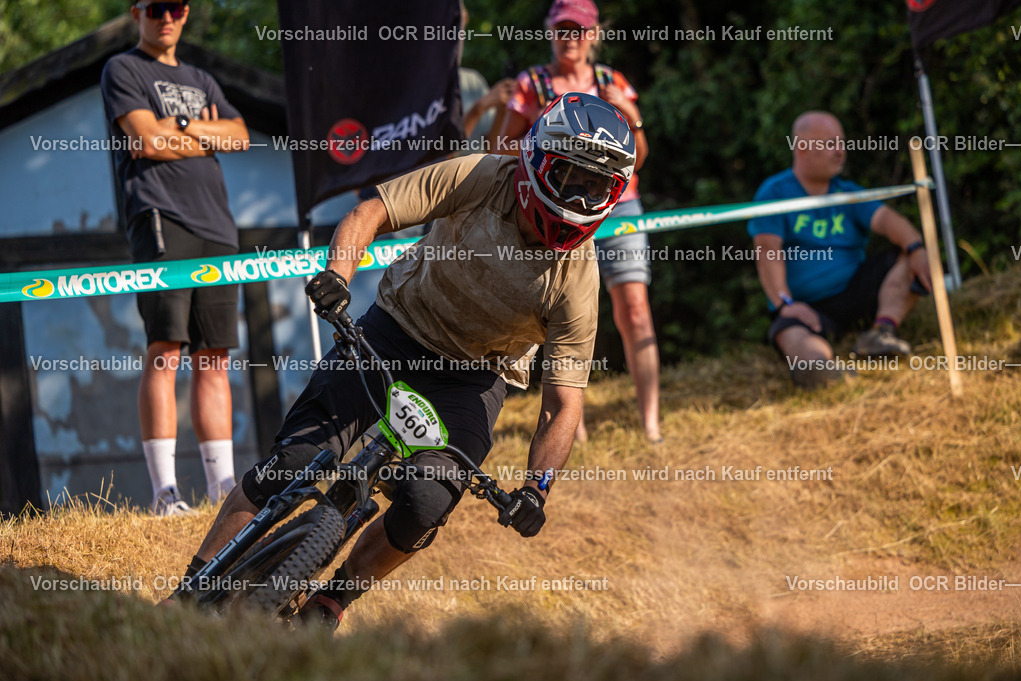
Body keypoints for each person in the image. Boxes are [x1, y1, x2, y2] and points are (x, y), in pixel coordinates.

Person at [177, 93, 636, 630]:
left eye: (596, 187)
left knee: (425, 502)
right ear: (535, 162)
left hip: (471, 380)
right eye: (569, 178)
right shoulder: (482, 176)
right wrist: (337, 277)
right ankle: (190, 591)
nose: (580, 197)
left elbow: (563, 403)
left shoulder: (578, 281)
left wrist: (537, 489)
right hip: (395, 330)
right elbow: (371, 211)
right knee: (294, 460)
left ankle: (331, 604)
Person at [101, 0, 250, 514]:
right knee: (166, 350)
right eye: (157, 7)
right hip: (162, 220)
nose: (168, 17)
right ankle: (165, 494)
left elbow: (240, 136)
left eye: (178, 7)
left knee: (214, 359)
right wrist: (200, 133)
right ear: (137, 11)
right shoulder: (122, 68)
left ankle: (221, 489)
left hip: (219, 227)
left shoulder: (202, 77)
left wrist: (179, 127)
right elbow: (146, 140)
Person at [498, 0, 660, 443]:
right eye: (562, 29)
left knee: (634, 311)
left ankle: (651, 427)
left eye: (579, 30)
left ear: (594, 34)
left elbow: (640, 156)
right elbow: (502, 145)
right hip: (557, 211)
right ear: (550, 31)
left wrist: (629, 116)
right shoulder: (533, 83)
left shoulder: (612, 81)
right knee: (564, 319)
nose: (570, 38)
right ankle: (573, 431)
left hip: (619, 207)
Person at [747, 111, 931, 388]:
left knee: (906, 256)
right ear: (802, 148)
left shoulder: (847, 191)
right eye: (830, 143)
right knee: (790, 333)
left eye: (842, 143)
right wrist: (785, 303)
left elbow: (887, 220)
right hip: (805, 308)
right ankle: (821, 371)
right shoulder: (774, 193)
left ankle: (881, 332)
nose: (840, 152)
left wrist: (917, 247)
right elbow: (767, 251)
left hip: (855, 292)